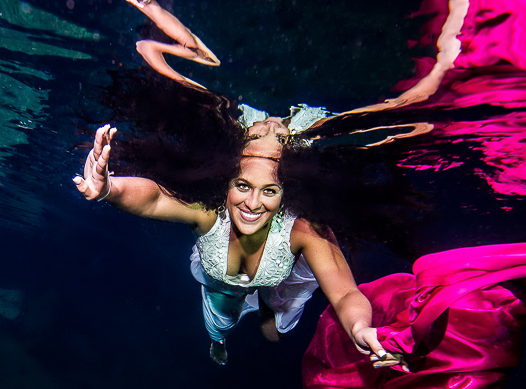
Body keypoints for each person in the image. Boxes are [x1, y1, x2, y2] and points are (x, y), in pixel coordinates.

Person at [73, 119, 399, 367]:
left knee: (274, 333)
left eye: (269, 191)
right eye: (243, 186)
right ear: (227, 182)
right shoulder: (211, 213)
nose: (252, 203)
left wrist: (359, 328)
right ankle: (221, 339)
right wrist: (109, 190)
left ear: (288, 193)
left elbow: (344, 293)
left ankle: (269, 300)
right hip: (222, 287)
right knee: (219, 324)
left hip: (276, 272)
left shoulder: (304, 230)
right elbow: (156, 198)